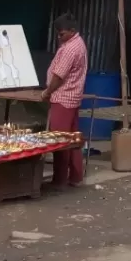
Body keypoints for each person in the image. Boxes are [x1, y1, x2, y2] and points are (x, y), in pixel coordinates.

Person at [44, 13, 88, 185]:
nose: (58, 37)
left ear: (72, 30)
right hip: (72, 96)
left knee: (60, 140)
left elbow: (58, 77)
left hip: (63, 97)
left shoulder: (71, 48)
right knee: (72, 139)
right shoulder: (77, 43)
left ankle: (60, 179)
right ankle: (76, 176)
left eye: (61, 34)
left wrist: (47, 92)